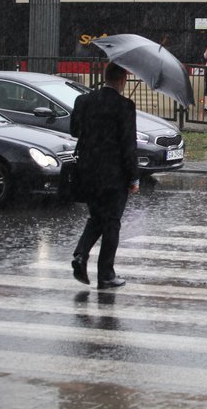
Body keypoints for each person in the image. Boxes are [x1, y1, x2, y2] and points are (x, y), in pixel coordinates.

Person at [70, 62, 140, 290]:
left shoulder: (84, 101)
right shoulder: (125, 106)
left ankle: (81, 255)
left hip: (88, 171)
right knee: (111, 223)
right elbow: (128, 146)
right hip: (114, 175)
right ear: (122, 80)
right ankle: (106, 274)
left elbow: (74, 130)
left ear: (104, 76)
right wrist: (133, 178)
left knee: (97, 217)